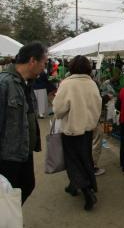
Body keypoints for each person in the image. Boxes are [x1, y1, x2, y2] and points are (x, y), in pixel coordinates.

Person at [0, 42, 47, 204]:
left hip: (24, 150)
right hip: (8, 156)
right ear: (32, 61)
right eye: (43, 63)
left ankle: (11, 218)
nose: (44, 67)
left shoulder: (27, 83)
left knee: (27, 185)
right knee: (7, 195)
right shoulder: (4, 83)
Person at [53, 55, 102, 211]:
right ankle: (74, 186)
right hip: (87, 129)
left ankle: (86, 190)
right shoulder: (92, 83)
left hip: (71, 130)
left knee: (73, 161)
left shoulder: (67, 84)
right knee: (85, 158)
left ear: (71, 67)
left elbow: (58, 110)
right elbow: (98, 105)